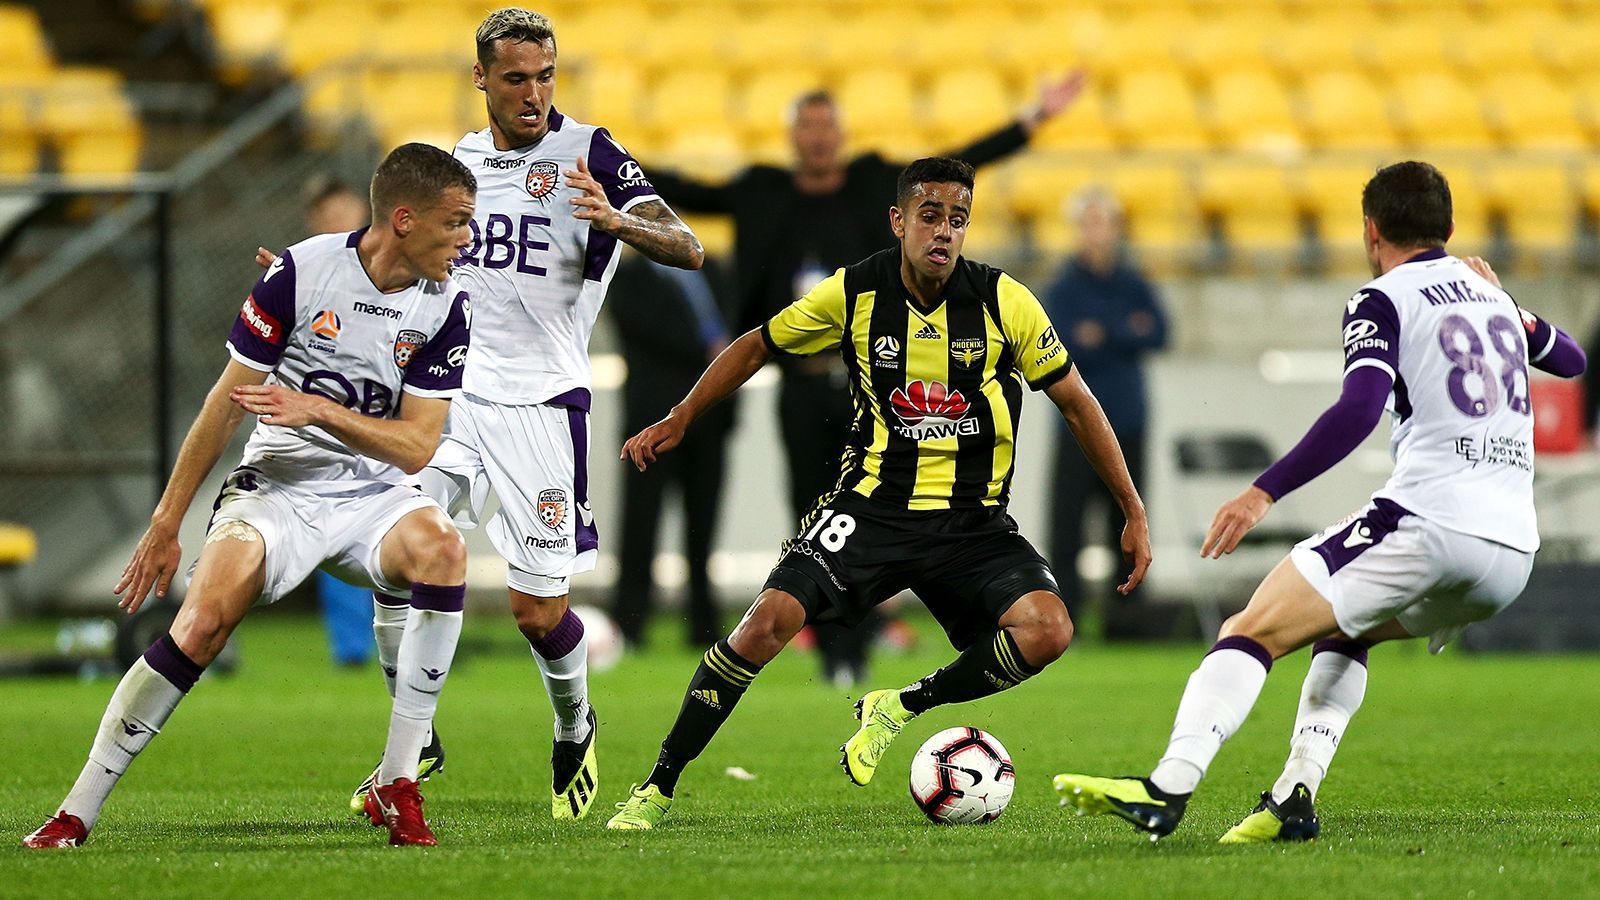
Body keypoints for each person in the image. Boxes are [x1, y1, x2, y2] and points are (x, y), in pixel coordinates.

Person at [605, 157, 1152, 830]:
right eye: (930, 217)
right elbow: (756, 345)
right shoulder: (855, 293)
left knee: (1049, 629)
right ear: (899, 221)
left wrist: (1132, 508)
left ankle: (900, 706)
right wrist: (681, 416)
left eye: (958, 220)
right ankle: (657, 787)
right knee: (763, 624)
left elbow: (1077, 402)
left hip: (971, 524)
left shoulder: (1004, 302)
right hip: (868, 508)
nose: (944, 233)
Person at [254, 8, 704, 822]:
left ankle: (574, 722)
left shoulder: (591, 153)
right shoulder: (458, 159)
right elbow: (407, 247)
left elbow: (689, 245)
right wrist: (316, 273)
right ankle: (414, 742)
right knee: (403, 552)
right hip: (451, 398)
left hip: (542, 406)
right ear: (482, 80)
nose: (533, 95)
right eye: (516, 79)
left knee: (538, 614)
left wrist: (617, 221)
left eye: (545, 77)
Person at [1054, 161, 1588, 843]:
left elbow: (1359, 408)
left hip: (1430, 524)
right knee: (1348, 627)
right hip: (1511, 556)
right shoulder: (1494, 302)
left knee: (1249, 629)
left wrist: (1261, 490)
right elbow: (1570, 360)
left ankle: (1169, 786)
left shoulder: (1383, 297)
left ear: (1371, 232)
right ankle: (1293, 798)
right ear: (1450, 228)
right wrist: (1509, 304)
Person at [22, 142, 478, 849]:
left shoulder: (448, 303)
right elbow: (223, 404)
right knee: (202, 625)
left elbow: (417, 446)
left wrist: (320, 408)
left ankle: (398, 780)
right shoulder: (301, 273)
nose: (466, 239)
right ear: (406, 218)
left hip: (374, 491)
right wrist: (167, 522)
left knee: (444, 550)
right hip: (279, 485)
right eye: (455, 223)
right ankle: (77, 809)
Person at [648, 75, 1087, 684]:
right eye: (809, 127)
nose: (820, 139)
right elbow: (689, 191)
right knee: (812, 515)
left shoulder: (876, 183)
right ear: (793, 137)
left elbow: (959, 169)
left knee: (881, 506)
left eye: (829, 127)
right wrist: (607, 162)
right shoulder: (764, 191)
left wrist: (1029, 121)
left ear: (843, 136)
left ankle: (861, 647)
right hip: (800, 382)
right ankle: (832, 651)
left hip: (872, 385)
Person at [1044, 186, 1167, 626]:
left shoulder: (1135, 281)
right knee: (1067, 527)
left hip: (1127, 421)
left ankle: (1128, 618)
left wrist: (1104, 332)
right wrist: (1125, 331)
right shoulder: (1062, 286)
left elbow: (1159, 332)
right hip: (1075, 425)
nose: (1097, 233)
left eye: (1104, 222)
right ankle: (1065, 617)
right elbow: (1063, 344)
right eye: (1089, 223)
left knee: (1129, 519)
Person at [607, 253, 732, 648]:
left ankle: (703, 626)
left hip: (709, 422)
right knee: (640, 524)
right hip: (651, 423)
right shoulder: (626, 279)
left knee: (703, 528)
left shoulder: (711, 270)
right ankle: (629, 624)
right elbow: (649, 332)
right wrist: (711, 347)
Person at [304, 176, 384, 667]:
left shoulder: (396, 272)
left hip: (384, 421)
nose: (338, 223)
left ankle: (418, 633)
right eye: (328, 215)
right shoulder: (301, 272)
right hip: (322, 424)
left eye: (345, 212)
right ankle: (353, 646)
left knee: (409, 525)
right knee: (333, 534)